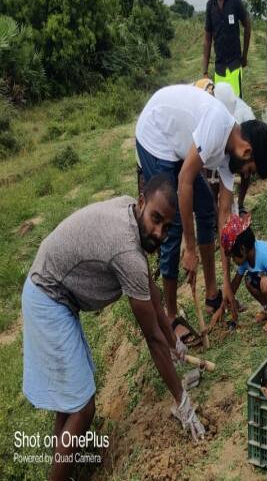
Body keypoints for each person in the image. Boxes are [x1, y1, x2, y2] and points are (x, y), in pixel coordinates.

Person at [22, 175, 205, 480]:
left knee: (69, 405)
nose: (159, 232)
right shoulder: (126, 251)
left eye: (167, 227)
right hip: (48, 297)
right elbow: (152, 340)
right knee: (82, 407)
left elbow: (151, 292)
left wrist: (175, 341)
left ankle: (63, 467)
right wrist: (182, 402)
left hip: (51, 290)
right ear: (142, 202)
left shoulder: (128, 211)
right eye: (155, 219)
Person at [135, 84, 267, 341]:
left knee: (207, 210)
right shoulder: (217, 127)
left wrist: (228, 285)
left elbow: (222, 219)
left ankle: (212, 295)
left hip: (178, 145)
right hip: (156, 135)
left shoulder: (231, 155)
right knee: (172, 223)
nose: (245, 176)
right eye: (250, 170)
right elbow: (185, 179)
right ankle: (171, 316)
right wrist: (190, 248)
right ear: (246, 151)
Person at [220, 213, 267, 333]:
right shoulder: (245, 259)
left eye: (233, 256)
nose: (233, 260)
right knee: (248, 280)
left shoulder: (262, 253)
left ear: (242, 249)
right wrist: (224, 303)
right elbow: (235, 283)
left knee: (264, 282)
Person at [203, 0, 252, 98]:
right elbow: (207, 40)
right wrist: (205, 71)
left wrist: (244, 56)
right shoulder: (209, 6)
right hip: (219, 70)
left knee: (237, 106)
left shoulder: (234, 0)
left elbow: (247, 25)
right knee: (221, 109)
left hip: (235, 66)